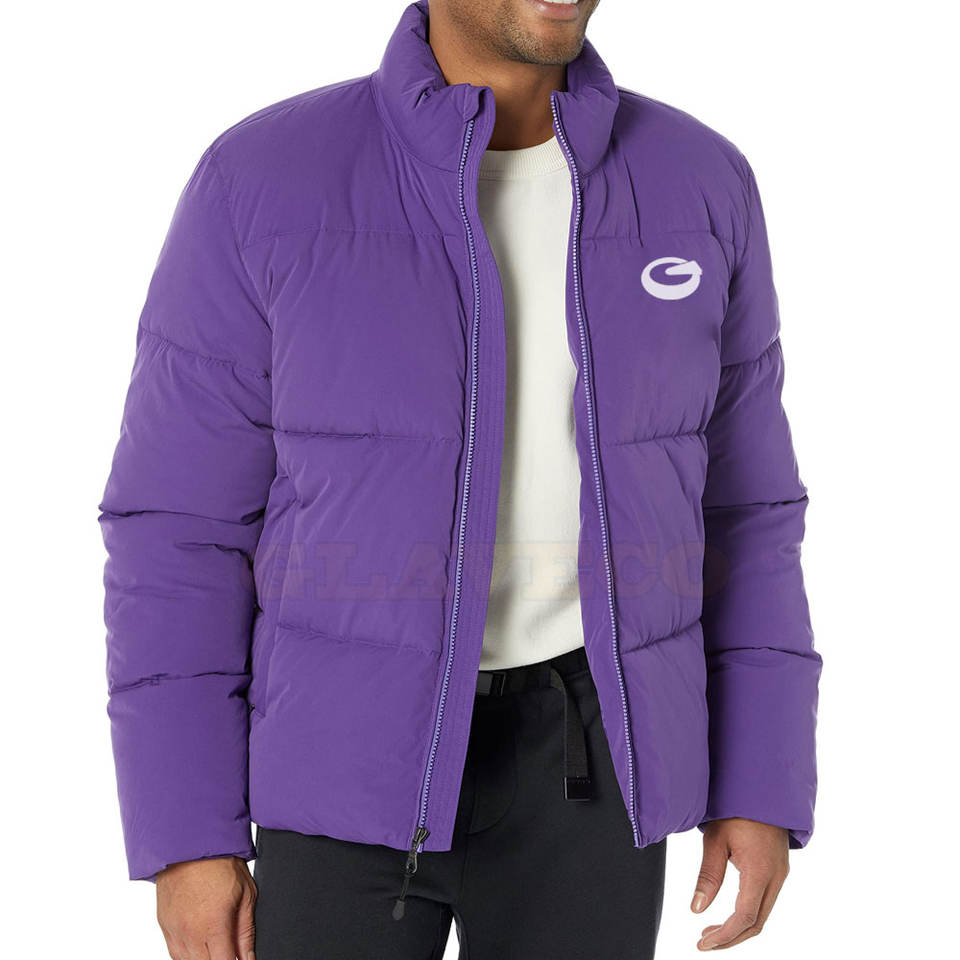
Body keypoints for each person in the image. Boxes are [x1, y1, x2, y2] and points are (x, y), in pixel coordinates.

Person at [99, 1, 820, 957]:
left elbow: (748, 512)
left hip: (596, 767)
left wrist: (761, 781)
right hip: (338, 766)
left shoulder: (699, 180)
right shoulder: (262, 180)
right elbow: (178, 527)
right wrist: (187, 834)